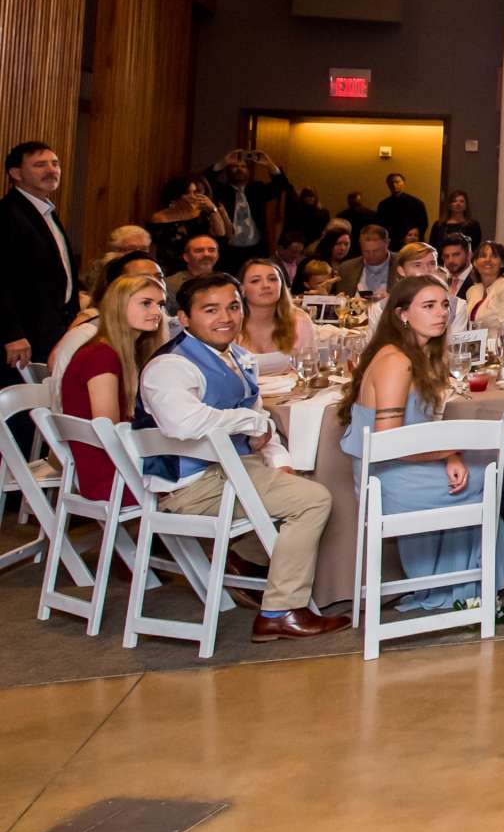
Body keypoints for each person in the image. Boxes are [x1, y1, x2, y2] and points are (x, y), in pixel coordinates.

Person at [139, 275, 348, 639]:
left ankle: (301, 583)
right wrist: (251, 423)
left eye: (233, 306)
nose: (226, 317)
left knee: (313, 480)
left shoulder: (239, 356)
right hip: (191, 485)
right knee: (314, 501)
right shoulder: (170, 366)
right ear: (184, 319)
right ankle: (280, 609)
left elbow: (262, 420)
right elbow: (184, 422)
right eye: (211, 310)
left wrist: (277, 458)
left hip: (234, 469)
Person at [338, 275, 504, 612]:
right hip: (389, 477)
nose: (441, 313)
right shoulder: (395, 361)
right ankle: (466, 588)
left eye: (444, 305)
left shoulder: (418, 353)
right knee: (490, 475)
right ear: (402, 314)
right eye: (428, 306)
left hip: (403, 462)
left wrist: (449, 455)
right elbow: (389, 440)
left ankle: (476, 574)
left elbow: (419, 427)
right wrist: (449, 453)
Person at [58, 274, 173, 503]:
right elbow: (109, 430)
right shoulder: (102, 356)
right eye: (146, 303)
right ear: (118, 305)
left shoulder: (118, 351)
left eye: (160, 304)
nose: (157, 312)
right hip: (111, 475)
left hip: (117, 468)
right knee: (208, 475)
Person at [1, 141, 79, 407]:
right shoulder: (7, 214)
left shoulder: (45, 211)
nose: (51, 170)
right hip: (24, 335)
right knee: (22, 410)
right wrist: (11, 334)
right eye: (39, 165)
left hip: (52, 328)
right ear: (16, 173)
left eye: (55, 163)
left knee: (44, 408)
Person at [208, 150, 292, 270]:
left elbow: (282, 185)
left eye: (243, 166)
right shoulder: (221, 190)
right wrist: (223, 162)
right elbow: (204, 181)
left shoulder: (257, 190)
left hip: (255, 249)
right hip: (228, 251)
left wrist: (269, 164)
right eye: (235, 166)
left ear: (249, 171)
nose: (239, 169)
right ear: (228, 171)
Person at [233, 256, 316, 367]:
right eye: (255, 281)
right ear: (242, 290)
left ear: (281, 285)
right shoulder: (230, 322)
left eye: (272, 279)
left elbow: (309, 369)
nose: (266, 285)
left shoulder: (299, 321)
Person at [148, 175, 228, 268]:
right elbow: (153, 247)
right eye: (187, 193)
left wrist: (213, 209)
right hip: (169, 265)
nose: (193, 196)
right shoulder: (160, 217)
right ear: (176, 195)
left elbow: (221, 233)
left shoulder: (202, 213)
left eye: (195, 192)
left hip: (198, 263)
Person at [460, 240, 504, 338]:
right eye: (483, 256)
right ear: (475, 262)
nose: (487, 260)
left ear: (503, 263)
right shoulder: (472, 291)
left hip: (498, 349)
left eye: (494, 256)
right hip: (474, 347)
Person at [336, 224, 396, 298]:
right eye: (366, 251)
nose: (371, 255)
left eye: (376, 251)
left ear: (387, 243)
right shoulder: (346, 269)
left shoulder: (402, 264)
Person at [376, 173, 430, 246]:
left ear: (403, 183)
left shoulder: (416, 203)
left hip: (411, 242)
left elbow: (423, 223)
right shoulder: (383, 205)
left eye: (397, 182)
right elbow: (380, 225)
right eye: (391, 182)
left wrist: (412, 236)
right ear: (388, 185)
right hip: (391, 243)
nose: (394, 185)